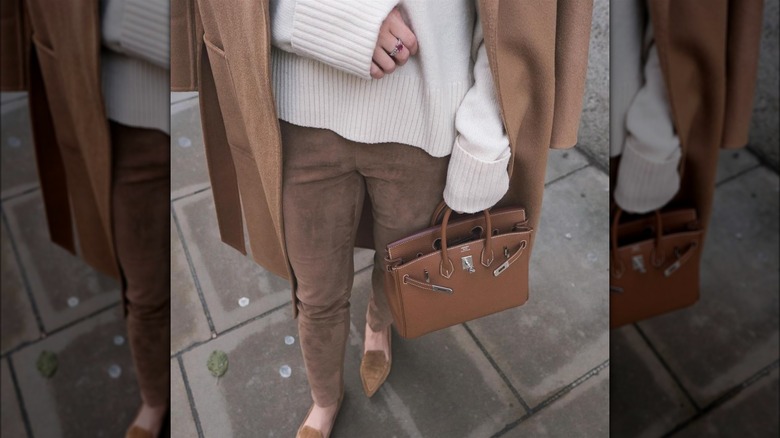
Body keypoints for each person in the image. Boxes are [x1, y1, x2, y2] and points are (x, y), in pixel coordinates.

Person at [269, 1, 510, 436]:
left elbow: (511, 17)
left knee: (399, 266)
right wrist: (329, 19)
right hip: (304, 113)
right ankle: (325, 399)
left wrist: (484, 131)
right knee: (316, 291)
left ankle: (378, 326)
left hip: (424, 119)